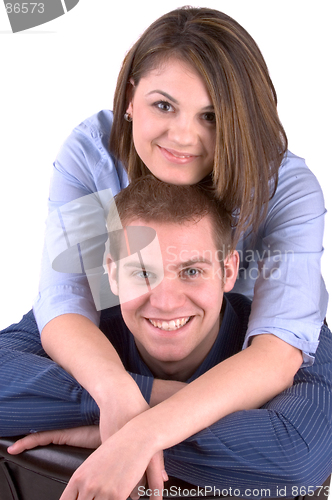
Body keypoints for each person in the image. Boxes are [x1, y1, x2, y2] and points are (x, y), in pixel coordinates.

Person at [1, 4, 328, 498]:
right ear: (131, 96)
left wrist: (141, 434)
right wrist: (120, 399)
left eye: (211, 116)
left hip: (245, 344)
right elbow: (64, 301)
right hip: (126, 324)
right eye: (164, 105)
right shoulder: (93, 154)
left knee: (296, 448)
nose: (182, 137)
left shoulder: (284, 187)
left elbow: (277, 353)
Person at [3, 177, 332, 500]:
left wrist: (127, 437)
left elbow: (295, 460)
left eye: (191, 272)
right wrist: (117, 400)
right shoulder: (81, 323)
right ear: (113, 273)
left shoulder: (293, 334)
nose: (165, 302)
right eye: (143, 273)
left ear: (228, 270)